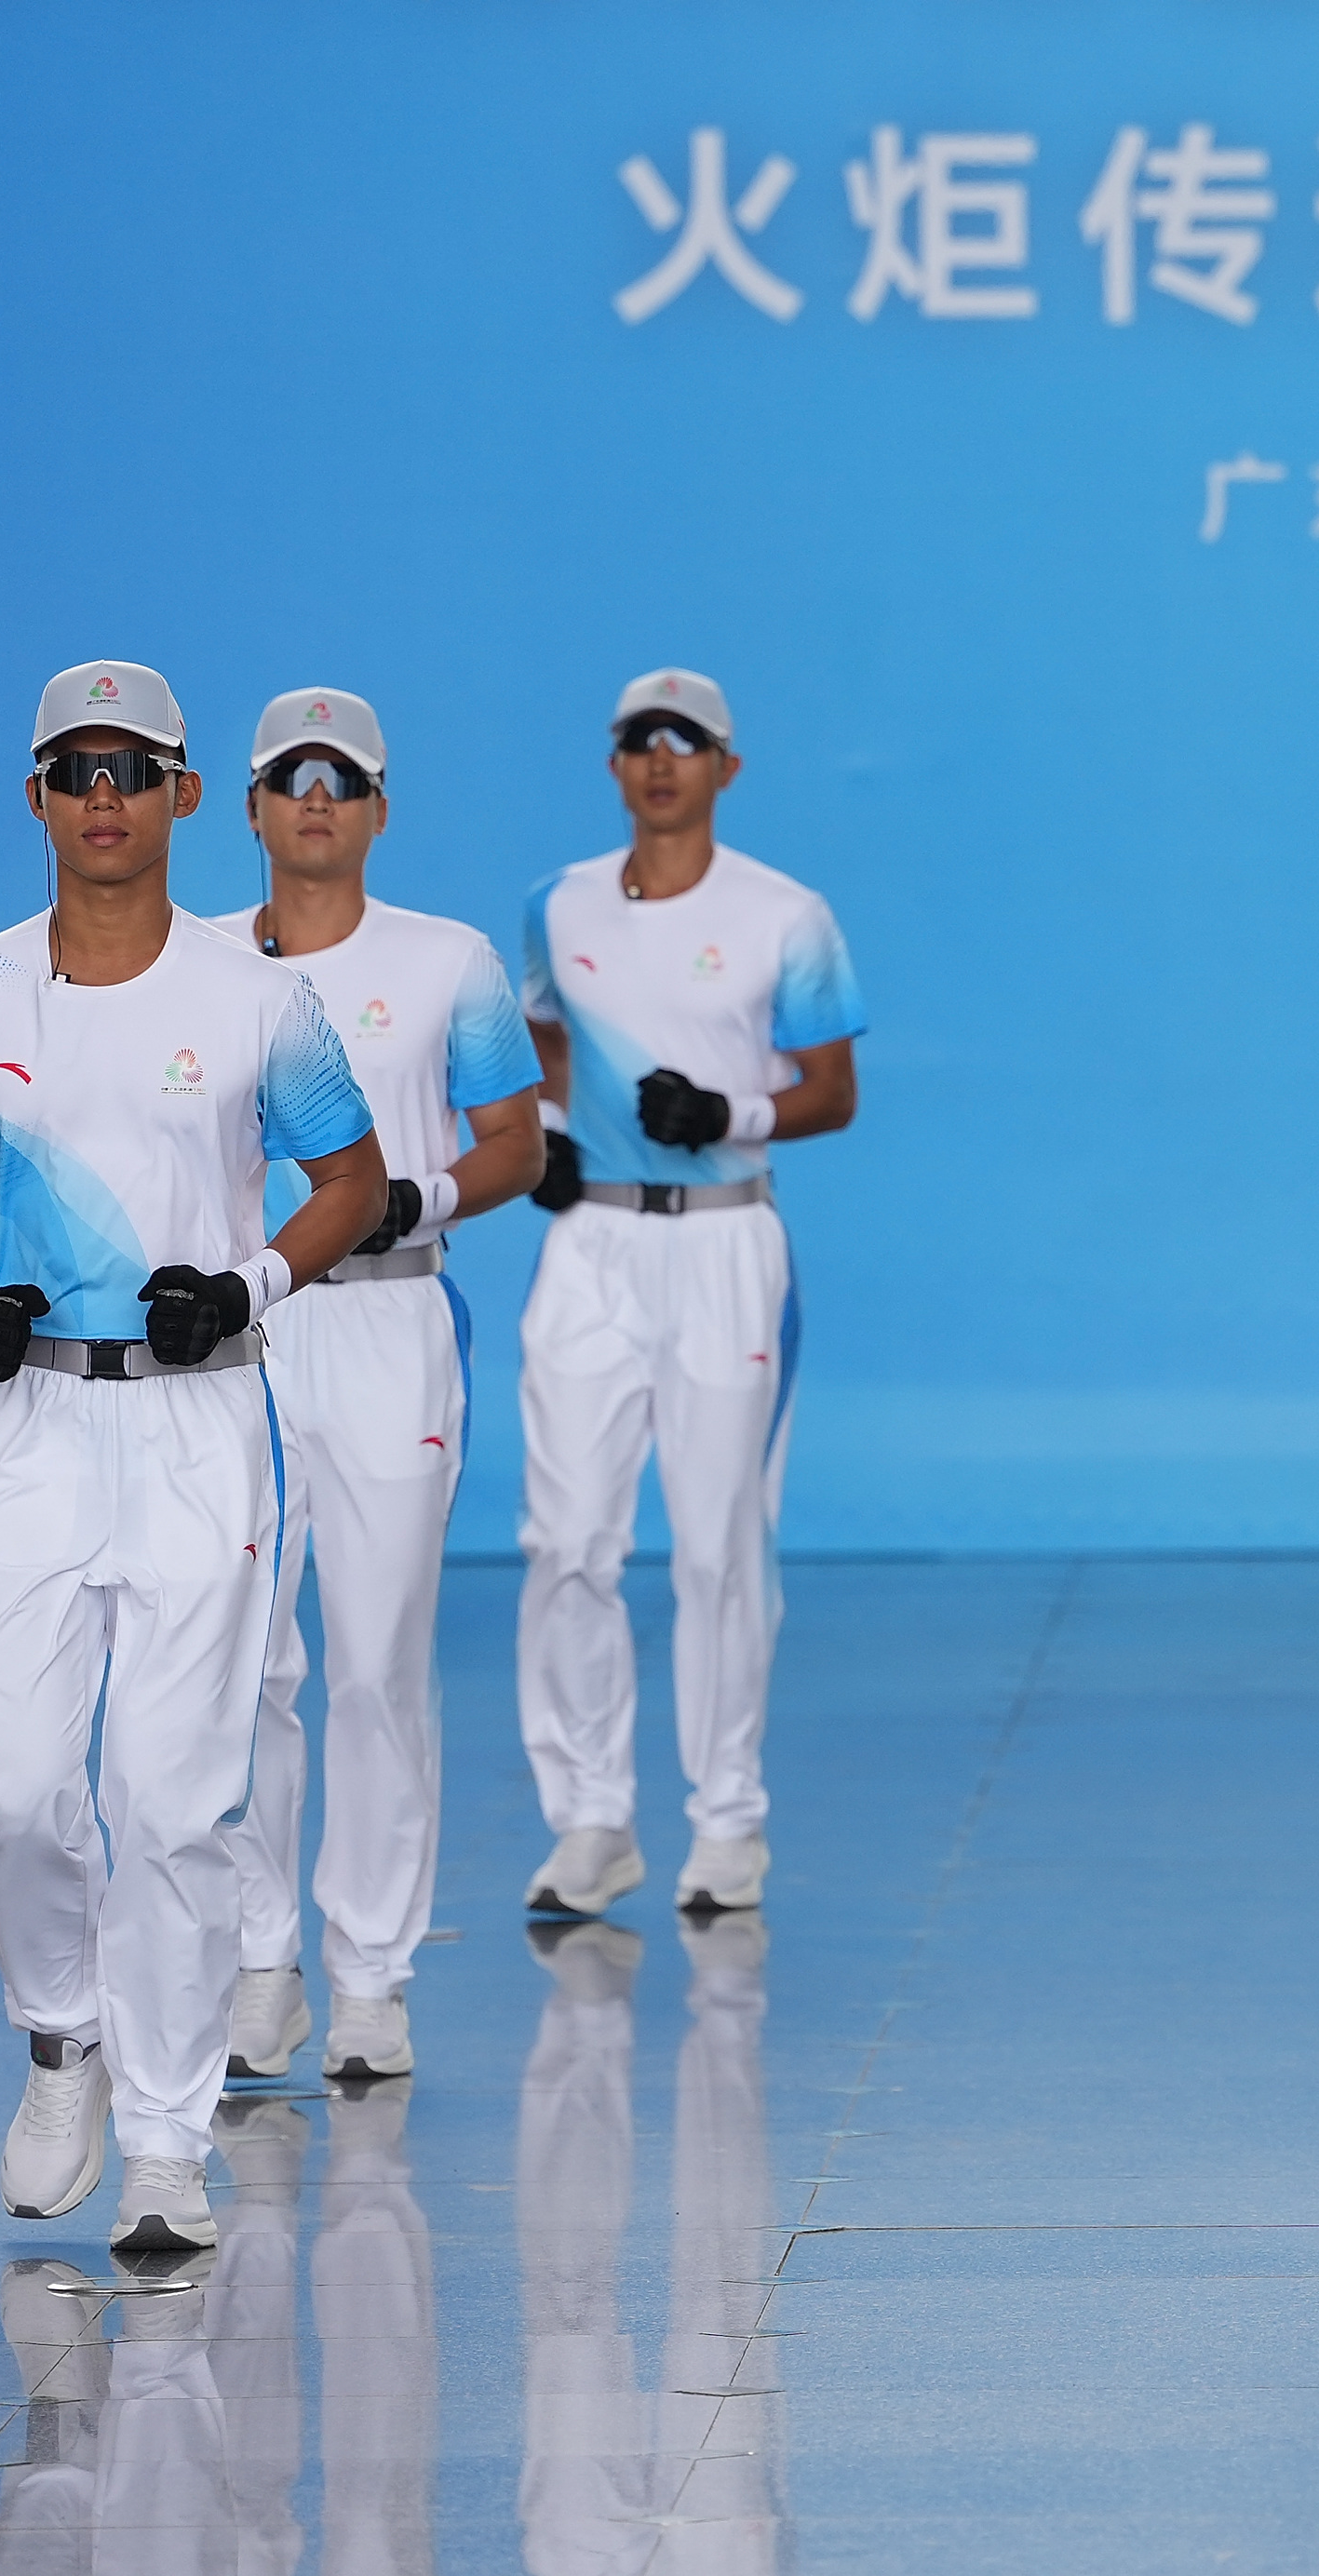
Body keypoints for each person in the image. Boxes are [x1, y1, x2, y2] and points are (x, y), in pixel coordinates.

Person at [0, 658, 386, 2259]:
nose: (104, 797)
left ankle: (168, 2141)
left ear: (181, 794)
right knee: (14, 1789)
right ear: (35, 796)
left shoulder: (257, 1001)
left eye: (134, 769)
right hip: (24, 1422)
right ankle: (61, 2040)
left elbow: (353, 1180)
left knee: (171, 1804)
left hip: (198, 1422)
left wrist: (250, 1283)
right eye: (76, 770)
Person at [203, 687, 549, 2089]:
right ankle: (260, 1960)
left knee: (379, 1657)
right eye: (290, 776)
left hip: (391, 1321)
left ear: (379, 809)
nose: (315, 799)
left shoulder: (449, 960)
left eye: (341, 778)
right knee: (242, 1658)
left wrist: (424, 1195)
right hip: (242, 1335)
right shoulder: (193, 963)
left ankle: (372, 1975)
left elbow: (518, 1140)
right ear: (249, 807)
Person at [514, 667, 868, 1924]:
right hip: (594, 1246)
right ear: (616, 764)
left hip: (725, 1245)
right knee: (567, 1540)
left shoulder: (785, 915)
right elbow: (545, 1039)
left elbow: (833, 1090)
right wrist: (553, 1134)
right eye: (639, 741)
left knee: (718, 1544)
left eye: (687, 741)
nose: (661, 760)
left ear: (726, 766)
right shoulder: (555, 907)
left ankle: (728, 1822)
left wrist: (731, 1113)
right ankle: (591, 1819)